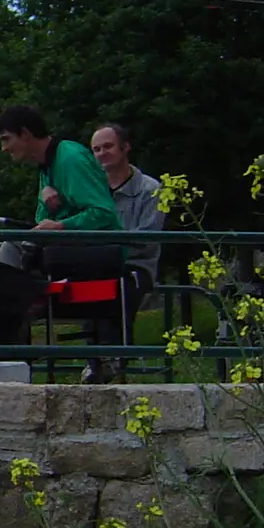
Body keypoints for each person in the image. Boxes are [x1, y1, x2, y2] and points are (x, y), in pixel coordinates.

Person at [79, 122, 167, 383]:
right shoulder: (89, 191)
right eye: (96, 149)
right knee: (82, 287)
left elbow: (146, 241)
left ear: (125, 147)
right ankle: (93, 363)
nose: (101, 153)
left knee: (116, 290)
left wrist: (107, 249)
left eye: (107, 147)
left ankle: (111, 361)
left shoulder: (151, 190)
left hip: (135, 267)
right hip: (95, 266)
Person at [0, 105, 122, 272]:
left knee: (11, 248)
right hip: (73, 244)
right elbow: (41, 221)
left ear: (25, 134)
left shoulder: (71, 159)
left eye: (6, 139)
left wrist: (60, 226)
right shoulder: (46, 165)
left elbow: (104, 214)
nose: (4, 148)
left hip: (101, 246)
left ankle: (17, 298)